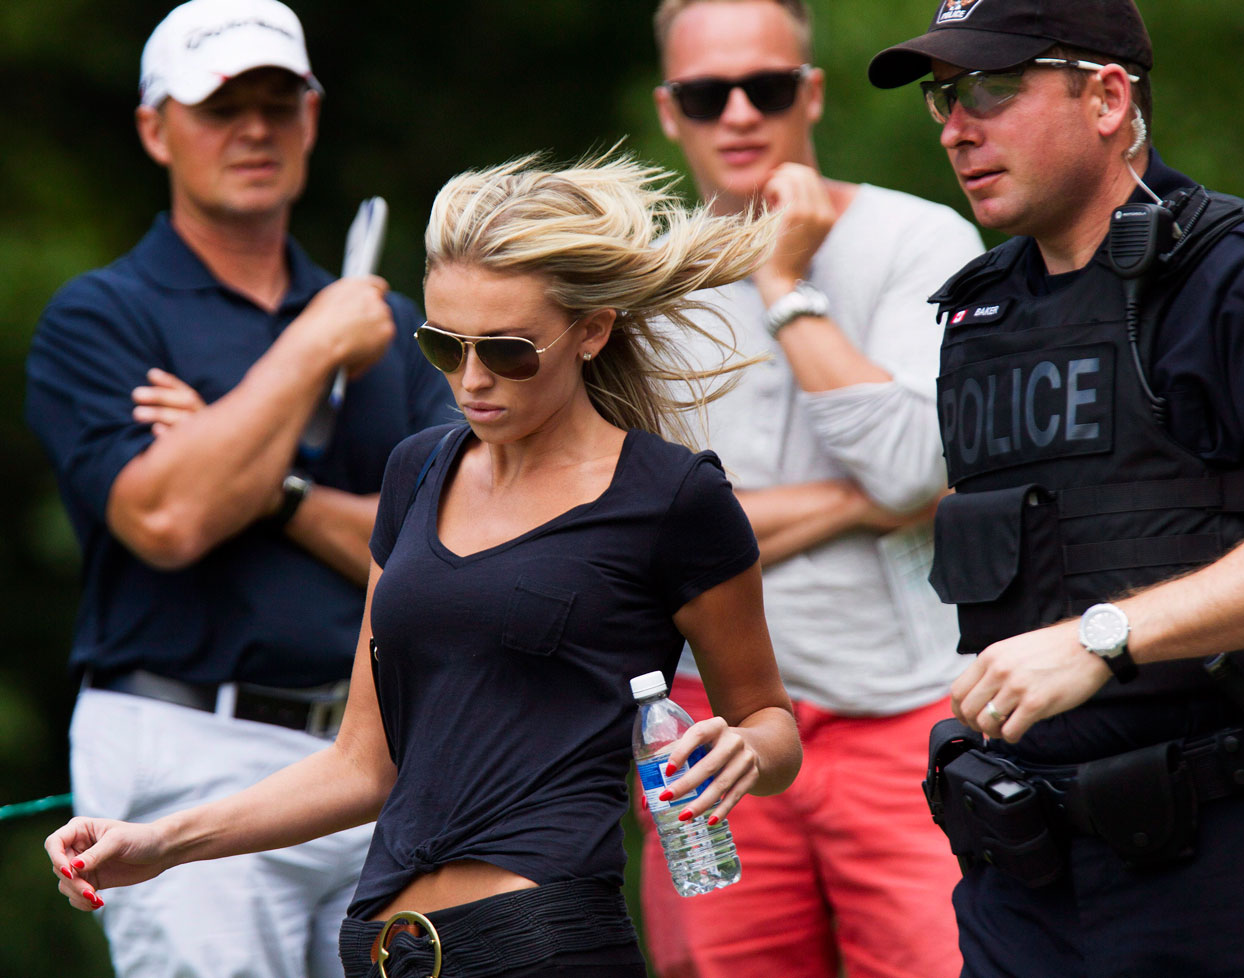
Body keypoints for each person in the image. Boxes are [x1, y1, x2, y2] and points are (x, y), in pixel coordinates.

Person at [42, 152, 804, 978]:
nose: (471, 381)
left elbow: (771, 721)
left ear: (593, 329)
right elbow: (361, 767)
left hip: (544, 943)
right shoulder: (417, 472)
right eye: (444, 344)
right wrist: (161, 842)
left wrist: (747, 753)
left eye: (509, 352)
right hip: (384, 951)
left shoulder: (671, 497)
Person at [866, 1, 1244, 975]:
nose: (958, 124)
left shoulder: (1238, 278)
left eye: (992, 85)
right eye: (942, 95)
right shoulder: (976, 316)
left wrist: (1105, 637)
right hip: (1024, 874)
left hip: (1231, 859)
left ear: (1106, 97)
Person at [24, 1, 454, 975]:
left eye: (276, 100)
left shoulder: (386, 321)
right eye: (220, 106)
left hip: (373, 762)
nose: (253, 128)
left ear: (311, 117)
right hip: (183, 746)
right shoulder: (101, 317)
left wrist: (268, 485)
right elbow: (167, 516)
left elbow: (449, 547)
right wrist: (312, 347)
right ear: (153, 128)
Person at [637, 3, 983, 977]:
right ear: (671, 112)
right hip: (707, 731)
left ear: (811, 92)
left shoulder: (921, 239)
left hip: (904, 713)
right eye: (708, 94)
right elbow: (636, 536)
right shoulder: (640, 279)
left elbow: (914, 463)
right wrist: (866, 500)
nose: (738, 113)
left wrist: (783, 280)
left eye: (768, 86)